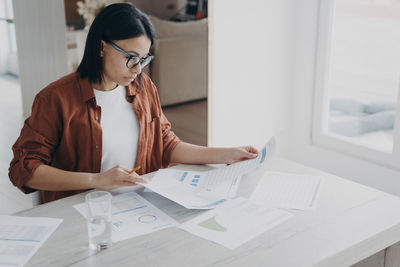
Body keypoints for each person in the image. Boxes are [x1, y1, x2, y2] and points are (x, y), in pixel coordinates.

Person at [8, 3, 258, 204]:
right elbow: (24, 169)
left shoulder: (143, 88)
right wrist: (97, 180)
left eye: (143, 59)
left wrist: (227, 154)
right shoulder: (55, 99)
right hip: (84, 214)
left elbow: (166, 145)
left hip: (140, 208)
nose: (138, 69)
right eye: (130, 58)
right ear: (102, 47)